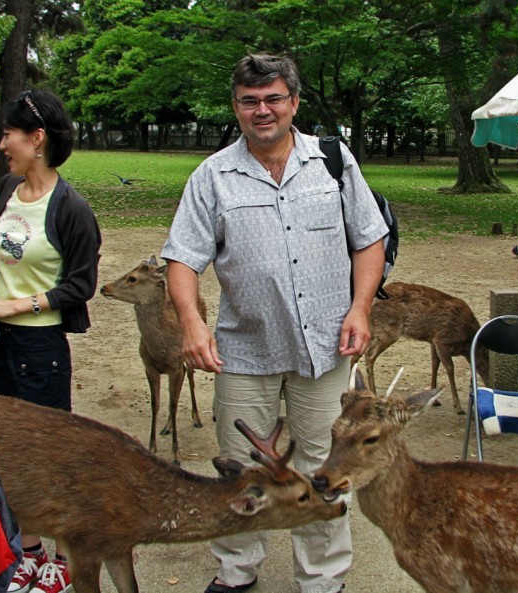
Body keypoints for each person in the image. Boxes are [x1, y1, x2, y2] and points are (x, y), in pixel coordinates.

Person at [161, 53, 387, 593]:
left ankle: (323, 580)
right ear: (236, 107)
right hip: (245, 354)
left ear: (294, 102)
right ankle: (237, 573)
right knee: (241, 468)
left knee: (323, 467)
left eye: (273, 99)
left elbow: (369, 238)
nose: (262, 110)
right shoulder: (212, 176)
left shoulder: (334, 162)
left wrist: (360, 308)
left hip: (326, 348)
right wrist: (192, 324)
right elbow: (182, 259)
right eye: (249, 101)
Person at [0, 89, 101, 593]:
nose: (1, 145)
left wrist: (18, 304)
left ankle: (60, 562)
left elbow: (80, 286)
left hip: (40, 351)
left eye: (8, 134)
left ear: (37, 140)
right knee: (1, 448)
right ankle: (27, 552)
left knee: (49, 453)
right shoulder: (7, 189)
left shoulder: (72, 208)